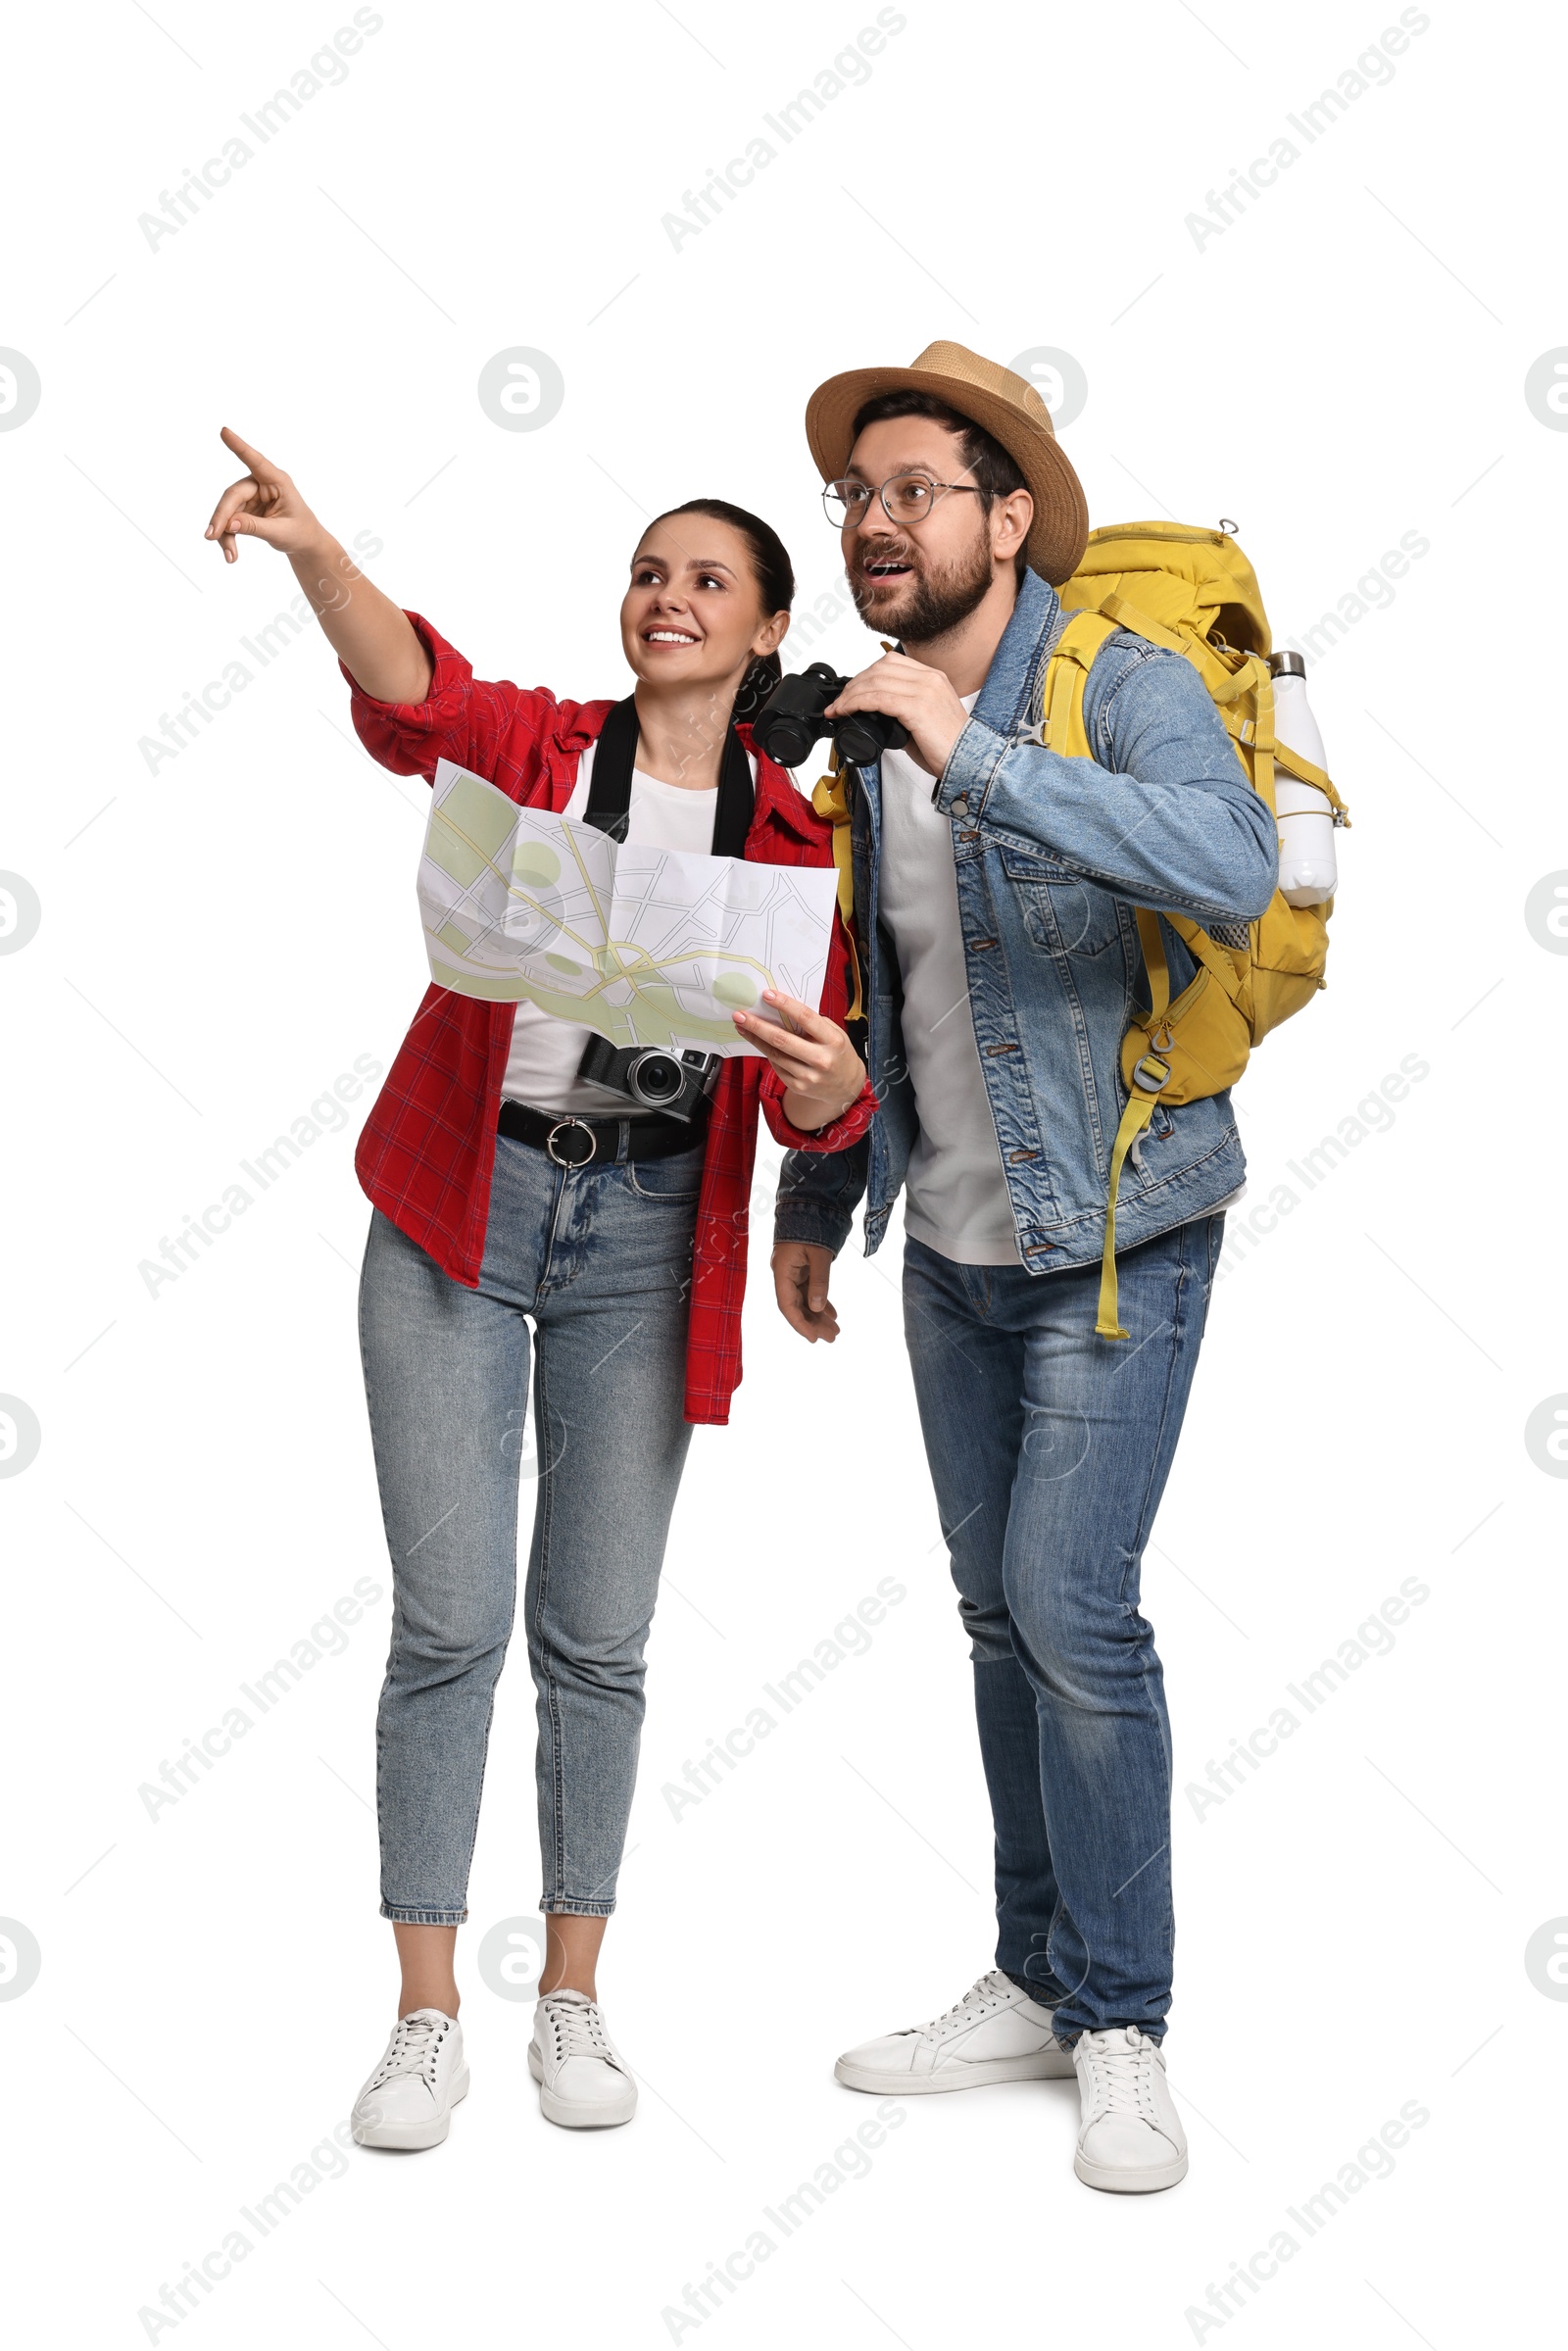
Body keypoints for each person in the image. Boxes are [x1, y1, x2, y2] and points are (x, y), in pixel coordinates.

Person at [203, 430, 873, 2147]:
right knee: (451, 1625)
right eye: (651, 572)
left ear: (766, 625)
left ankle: (570, 1998)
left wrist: (814, 1092)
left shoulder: (808, 838)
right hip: (459, 1204)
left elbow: (839, 1084)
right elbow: (414, 688)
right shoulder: (545, 753)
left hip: (649, 1239)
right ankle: (425, 2013)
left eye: (708, 580)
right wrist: (314, 553)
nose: (669, 599)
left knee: (599, 1638)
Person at [768, 345, 1278, 2192]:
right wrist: (825, 1199)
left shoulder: (1113, 680)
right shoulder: (863, 725)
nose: (875, 522)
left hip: (1121, 1233)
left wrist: (969, 756)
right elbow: (889, 990)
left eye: (913, 490)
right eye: (856, 495)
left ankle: (1125, 2019)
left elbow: (1223, 859)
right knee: (997, 1617)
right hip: (957, 1254)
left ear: (1005, 517)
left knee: (1074, 1608)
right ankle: (1035, 1975)